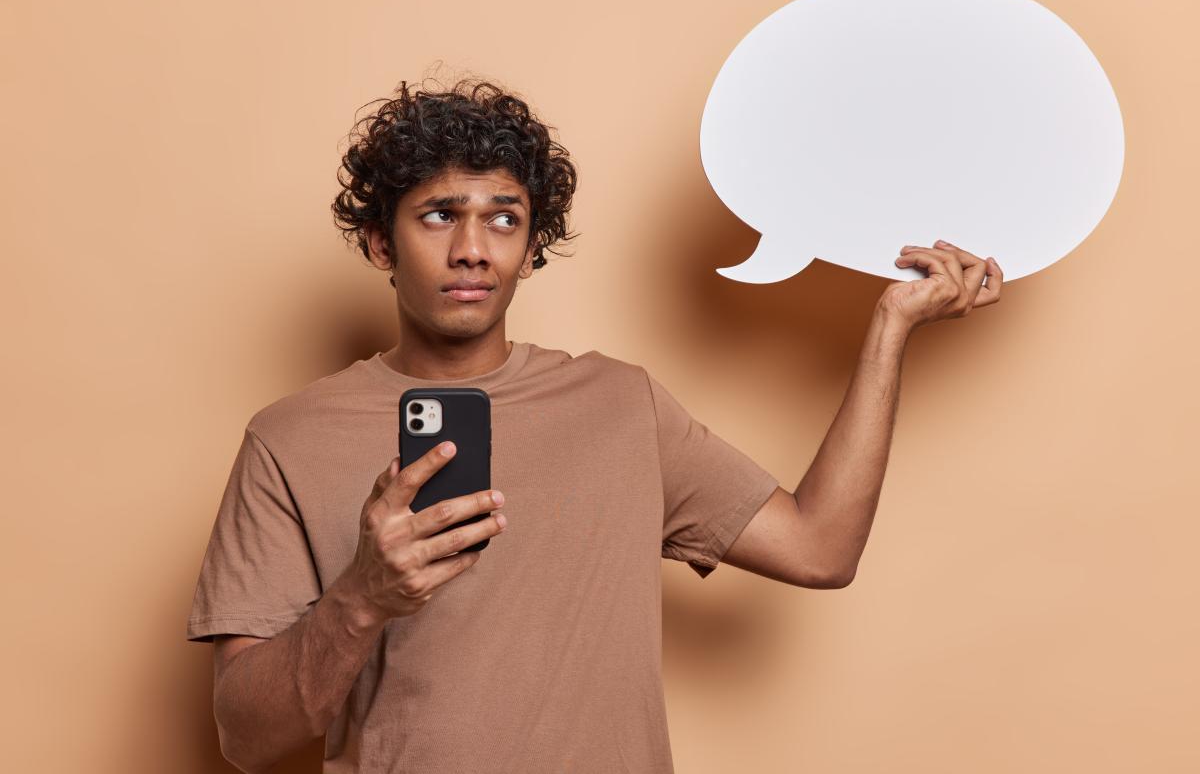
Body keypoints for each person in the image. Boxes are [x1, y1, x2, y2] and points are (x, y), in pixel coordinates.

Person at [186, 76, 1003, 774]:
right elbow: (245, 738)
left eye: (503, 218)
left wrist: (890, 328)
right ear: (378, 242)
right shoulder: (288, 438)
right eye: (438, 215)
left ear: (532, 241)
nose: (472, 249)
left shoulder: (621, 405)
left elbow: (820, 549)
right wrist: (363, 597)